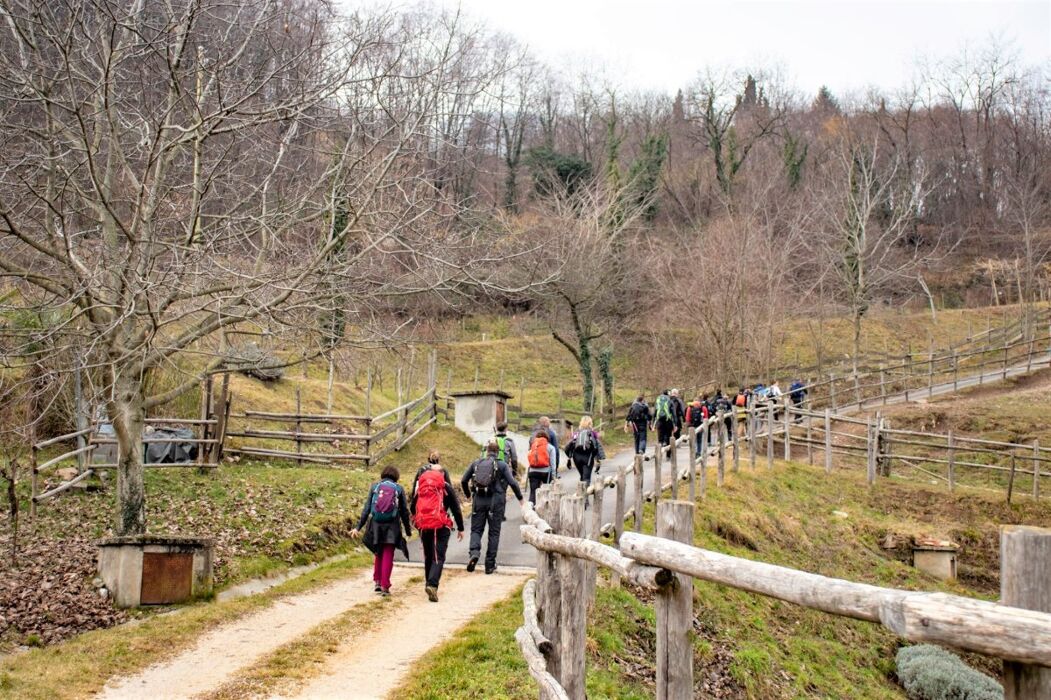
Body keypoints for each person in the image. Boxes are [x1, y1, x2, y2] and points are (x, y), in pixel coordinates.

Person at [461, 440, 524, 574]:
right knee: (493, 533)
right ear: (498, 452)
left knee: (476, 530)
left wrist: (468, 495)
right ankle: (489, 565)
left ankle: (474, 552)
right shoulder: (502, 465)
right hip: (496, 502)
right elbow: (512, 482)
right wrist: (520, 498)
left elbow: (463, 480)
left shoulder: (476, 463)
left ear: (487, 451)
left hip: (478, 500)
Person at [410, 451, 464, 602]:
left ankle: (428, 581)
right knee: (438, 556)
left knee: (428, 555)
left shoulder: (422, 486)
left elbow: (412, 506)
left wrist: (418, 519)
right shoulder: (445, 487)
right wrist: (460, 528)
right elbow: (456, 508)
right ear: (442, 474)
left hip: (424, 525)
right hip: (441, 524)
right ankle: (432, 585)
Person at [351, 466, 412, 597]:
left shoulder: (375, 487)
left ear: (383, 475)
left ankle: (377, 582)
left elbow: (367, 509)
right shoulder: (399, 489)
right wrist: (408, 530)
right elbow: (404, 512)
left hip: (376, 524)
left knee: (378, 551)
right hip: (392, 525)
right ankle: (385, 585)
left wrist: (358, 527)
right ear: (396, 476)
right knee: (388, 554)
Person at [565, 415, 605, 487]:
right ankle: (584, 497)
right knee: (586, 478)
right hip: (588, 458)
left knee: (582, 476)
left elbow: (570, 445)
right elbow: (596, 446)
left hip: (576, 458)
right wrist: (598, 459)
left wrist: (569, 457)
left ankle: (581, 493)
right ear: (590, 423)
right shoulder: (593, 433)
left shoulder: (576, 433)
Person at [526, 428, 556, 504]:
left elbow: (529, 457)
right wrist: (554, 476)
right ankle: (546, 508)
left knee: (533, 492)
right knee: (547, 492)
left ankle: (531, 510)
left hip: (533, 471)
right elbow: (553, 463)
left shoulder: (533, 446)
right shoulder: (550, 447)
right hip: (545, 473)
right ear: (547, 437)